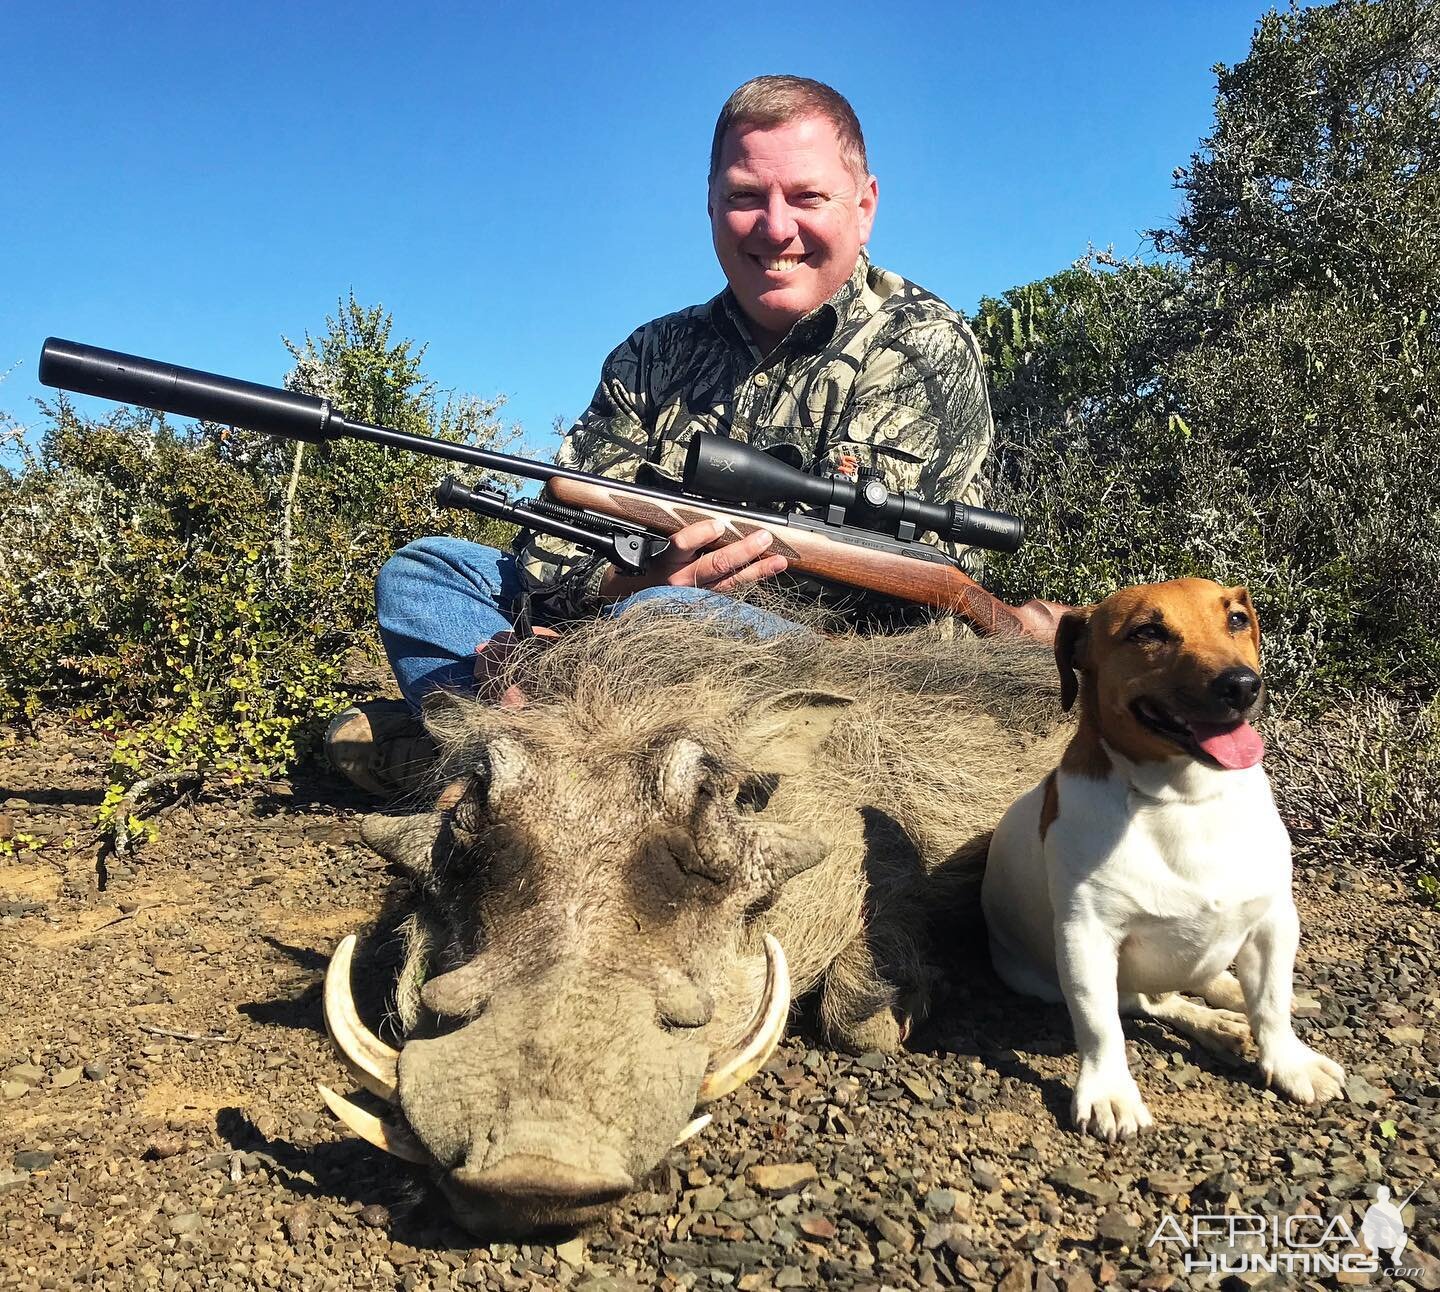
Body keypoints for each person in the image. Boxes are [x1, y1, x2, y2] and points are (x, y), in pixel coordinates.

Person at [328, 74, 998, 796]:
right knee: (427, 574)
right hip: (638, 624)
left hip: (832, 674)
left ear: (863, 206)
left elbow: (900, 597)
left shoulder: (923, 345)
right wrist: (635, 583)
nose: (776, 227)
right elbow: (549, 541)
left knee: (666, 620)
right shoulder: (652, 355)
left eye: (808, 197)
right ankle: (561, 753)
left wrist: (652, 609)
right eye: (745, 197)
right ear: (711, 206)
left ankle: (495, 757)